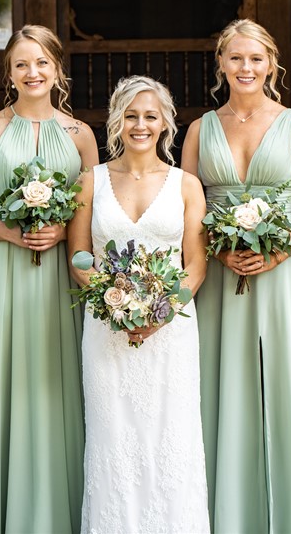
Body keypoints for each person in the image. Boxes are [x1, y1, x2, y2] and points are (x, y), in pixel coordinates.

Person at [181, 19, 291, 533]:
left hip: (282, 272)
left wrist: (277, 253)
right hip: (219, 277)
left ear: (271, 64)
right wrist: (218, 252)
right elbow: (184, 206)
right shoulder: (201, 129)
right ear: (220, 64)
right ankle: (223, 508)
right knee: (218, 382)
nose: (246, 68)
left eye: (256, 59)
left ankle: (287, 510)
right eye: (236, 58)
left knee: (282, 385)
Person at [0, 24, 98, 533]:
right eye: (21, 65)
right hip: (1, 272)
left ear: (57, 69)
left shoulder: (81, 135)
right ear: (9, 75)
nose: (32, 73)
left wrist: (65, 234)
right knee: (3, 382)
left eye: (41, 63)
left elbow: (93, 210)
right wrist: (11, 233)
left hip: (59, 278)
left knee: (55, 383)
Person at [68, 75, 210, 533]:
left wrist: (158, 314)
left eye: (150, 116)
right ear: (117, 120)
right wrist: (116, 309)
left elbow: (196, 266)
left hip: (172, 336)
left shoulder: (186, 184)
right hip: (106, 331)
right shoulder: (91, 182)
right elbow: (78, 257)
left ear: (166, 123)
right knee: (114, 443)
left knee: (171, 441)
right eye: (131, 115)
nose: (140, 124)